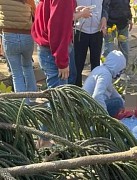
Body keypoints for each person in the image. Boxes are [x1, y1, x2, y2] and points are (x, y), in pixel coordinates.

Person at [31, 0, 92, 148]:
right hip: (53, 51)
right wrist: (62, 61)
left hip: (47, 48)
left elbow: (55, 16)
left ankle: (49, 137)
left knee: (55, 96)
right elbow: (57, 27)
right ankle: (45, 140)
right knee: (57, 99)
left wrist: (74, 12)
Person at [31, 0, 92, 89]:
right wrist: (62, 62)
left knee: (62, 89)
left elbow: (53, 15)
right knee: (59, 95)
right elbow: (58, 29)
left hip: (49, 46)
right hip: (54, 49)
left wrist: (72, 11)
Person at [1, 0, 37, 104]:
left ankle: (23, 104)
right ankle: (33, 97)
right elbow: (34, 13)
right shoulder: (29, 1)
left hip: (9, 35)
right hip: (27, 35)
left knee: (16, 73)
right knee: (28, 66)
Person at [74, 0, 109, 87]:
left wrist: (104, 18)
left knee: (96, 65)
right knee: (78, 64)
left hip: (97, 31)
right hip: (80, 31)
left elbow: (106, 5)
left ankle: (95, 91)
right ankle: (77, 92)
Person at [83, 50, 126, 117]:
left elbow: (113, 92)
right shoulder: (106, 74)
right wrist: (105, 118)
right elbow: (97, 96)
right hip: (91, 109)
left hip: (87, 106)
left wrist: (126, 104)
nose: (120, 73)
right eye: (120, 70)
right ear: (117, 66)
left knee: (120, 100)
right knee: (118, 102)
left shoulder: (101, 69)